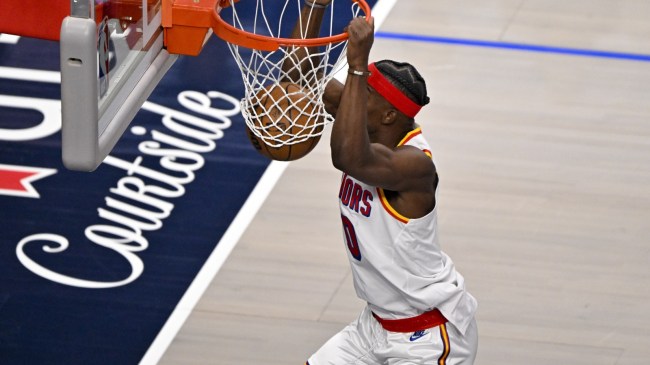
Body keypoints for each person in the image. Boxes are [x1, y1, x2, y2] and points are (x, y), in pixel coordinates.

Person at [292, 1, 479, 363]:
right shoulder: (365, 120)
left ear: (389, 115)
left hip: (427, 337)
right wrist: (315, 5)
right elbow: (299, 79)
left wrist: (358, 63)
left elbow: (348, 157)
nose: (352, 94)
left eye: (362, 93)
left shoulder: (414, 167)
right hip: (374, 325)